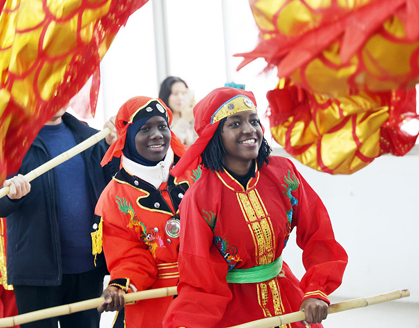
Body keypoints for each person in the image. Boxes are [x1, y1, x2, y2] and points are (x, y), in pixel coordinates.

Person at [163, 88, 348, 328]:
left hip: (287, 297)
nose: (250, 129)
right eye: (235, 123)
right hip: (233, 310)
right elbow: (199, 278)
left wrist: (315, 290)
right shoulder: (199, 199)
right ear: (215, 135)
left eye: (254, 121)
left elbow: (318, 235)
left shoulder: (284, 174)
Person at [0, 106, 118, 328]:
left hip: (87, 269)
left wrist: (113, 148)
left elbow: (115, 186)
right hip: (36, 272)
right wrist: (12, 195)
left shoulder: (90, 137)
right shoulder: (13, 142)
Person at [92, 96, 198, 328]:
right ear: (128, 138)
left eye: (162, 126)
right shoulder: (115, 196)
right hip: (154, 304)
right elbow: (129, 256)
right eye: (145, 129)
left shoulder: (195, 171)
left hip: (207, 293)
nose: (157, 134)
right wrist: (120, 285)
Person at [158, 77, 197, 146]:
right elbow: (171, 145)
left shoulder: (191, 117)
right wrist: (184, 120)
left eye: (184, 93)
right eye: (175, 94)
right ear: (166, 96)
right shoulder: (160, 121)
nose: (180, 98)